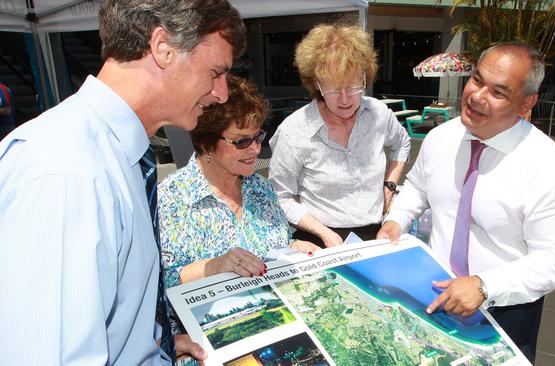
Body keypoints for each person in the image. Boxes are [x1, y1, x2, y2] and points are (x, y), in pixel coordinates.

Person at [0, 0, 245, 364]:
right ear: (163, 48)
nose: (222, 93)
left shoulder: (112, 155)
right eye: (215, 73)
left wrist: (147, 343)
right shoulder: (67, 172)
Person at [377, 42, 555, 363]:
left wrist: (486, 286)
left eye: (498, 93)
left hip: (506, 309)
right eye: (476, 80)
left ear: (527, 102)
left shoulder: (552, 170)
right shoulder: (440, 138)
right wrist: (396, 220)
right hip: (431, 290)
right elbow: (418, 187)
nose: (476, 96)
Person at [159, 75, 319, 288]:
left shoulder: (262, 189)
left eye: (258, 137)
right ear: (206, 142)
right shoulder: (172, 198)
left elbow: (278, 244)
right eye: (242, 141)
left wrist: (296, 246)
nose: (255, 150)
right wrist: (216, 266)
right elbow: (163, 282)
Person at [269, 24, 411, 247]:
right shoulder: (294, 130)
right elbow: (280, 196)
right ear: (317, 84)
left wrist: (389, 187)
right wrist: (324, 233)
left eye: (354, 87)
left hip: (375, 233)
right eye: (334, 89)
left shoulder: (378, 114)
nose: (345, 99)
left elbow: (402, 144)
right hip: (317, 238)